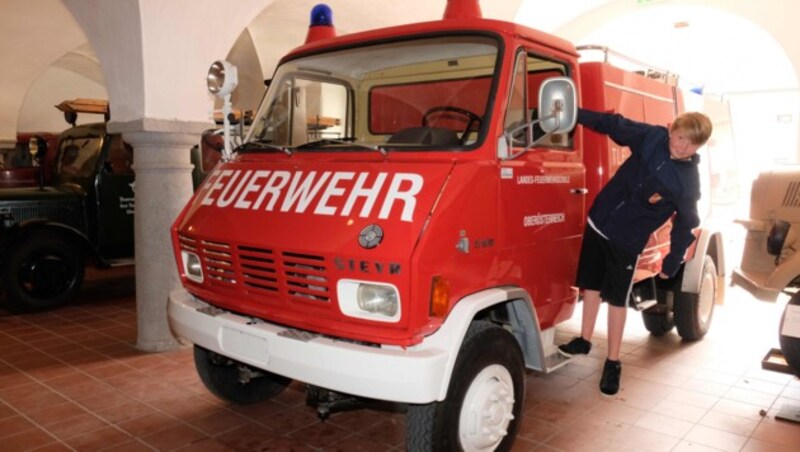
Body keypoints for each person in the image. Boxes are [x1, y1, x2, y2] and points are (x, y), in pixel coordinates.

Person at [558, 108, 713, 396]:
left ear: (698, 147)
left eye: (690, 144)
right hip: (598, 220)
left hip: (627, 240)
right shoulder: (652, 138)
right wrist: (574, 113)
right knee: (590, 284)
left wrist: (673, 259)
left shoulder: (687, 183)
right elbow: (615, 124)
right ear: (671, 130)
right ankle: (583, 339)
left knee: (617, 299)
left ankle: (613, 362)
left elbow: (687, 224)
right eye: (679, 137)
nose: (681, 146)